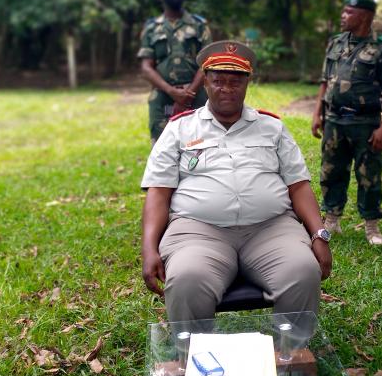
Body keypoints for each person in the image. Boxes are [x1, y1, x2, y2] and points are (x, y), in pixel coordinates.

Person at [141, 40, 332, 323]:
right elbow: (158, 193)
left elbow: (299, 185)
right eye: (218, 81)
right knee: (187, 279)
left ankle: (292, 358)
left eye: (235, 82)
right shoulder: (179, 128)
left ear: (247, 84)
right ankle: (196, 360)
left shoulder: (272, 127)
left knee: (302, 271)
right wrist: (149, 248)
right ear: (205, 82)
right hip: (198, 232)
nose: (226, 89)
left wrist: (318, 234)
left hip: (272, 228)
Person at [311, 0, 382, 246]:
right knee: (331, 171)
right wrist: (317, 113)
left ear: (364, 16)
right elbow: (324, 81)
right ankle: (331, 219)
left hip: (365, 122)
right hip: (334, 120)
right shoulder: (335, 43)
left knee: (369, 175)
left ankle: (371, 226)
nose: (343, 16)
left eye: (348, 12)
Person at [137, 0, 212, 144]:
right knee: (162, 146)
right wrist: (172, 92)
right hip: (162, 96)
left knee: (199, 145)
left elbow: (208, 62)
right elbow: (146, 67)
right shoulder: (151, 28)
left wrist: (189, 94)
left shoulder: (199, 25)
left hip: (196, 95)